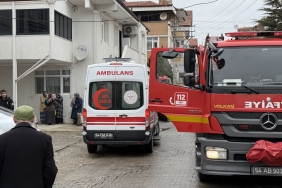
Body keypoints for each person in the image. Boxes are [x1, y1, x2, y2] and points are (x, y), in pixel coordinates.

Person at [0, 105, 57, 187]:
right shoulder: (45, 139)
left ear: (14, 119)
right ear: (33, 119)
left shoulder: (2, 139)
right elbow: (50, 170)